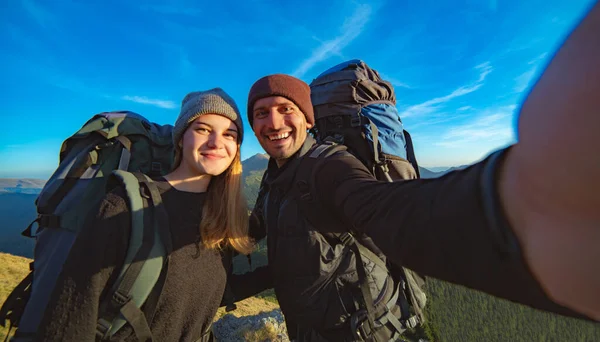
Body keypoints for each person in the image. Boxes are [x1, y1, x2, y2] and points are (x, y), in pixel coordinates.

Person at [245, 2, 600, 340]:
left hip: (361, 332)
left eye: (284, 109)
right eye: (261, 113)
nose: (274, 122)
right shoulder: (275, 177)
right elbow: (266, 241)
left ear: (308, 120)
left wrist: (513, 206)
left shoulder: (329, 166)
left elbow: (392, 210)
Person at [34, 88, 264, 341]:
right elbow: (69, 320)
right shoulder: (124, 206)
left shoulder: (224, 217)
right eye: (203, 129)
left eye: (229, 135)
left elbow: (203, 296)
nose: (216, 142)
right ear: (180, 138)